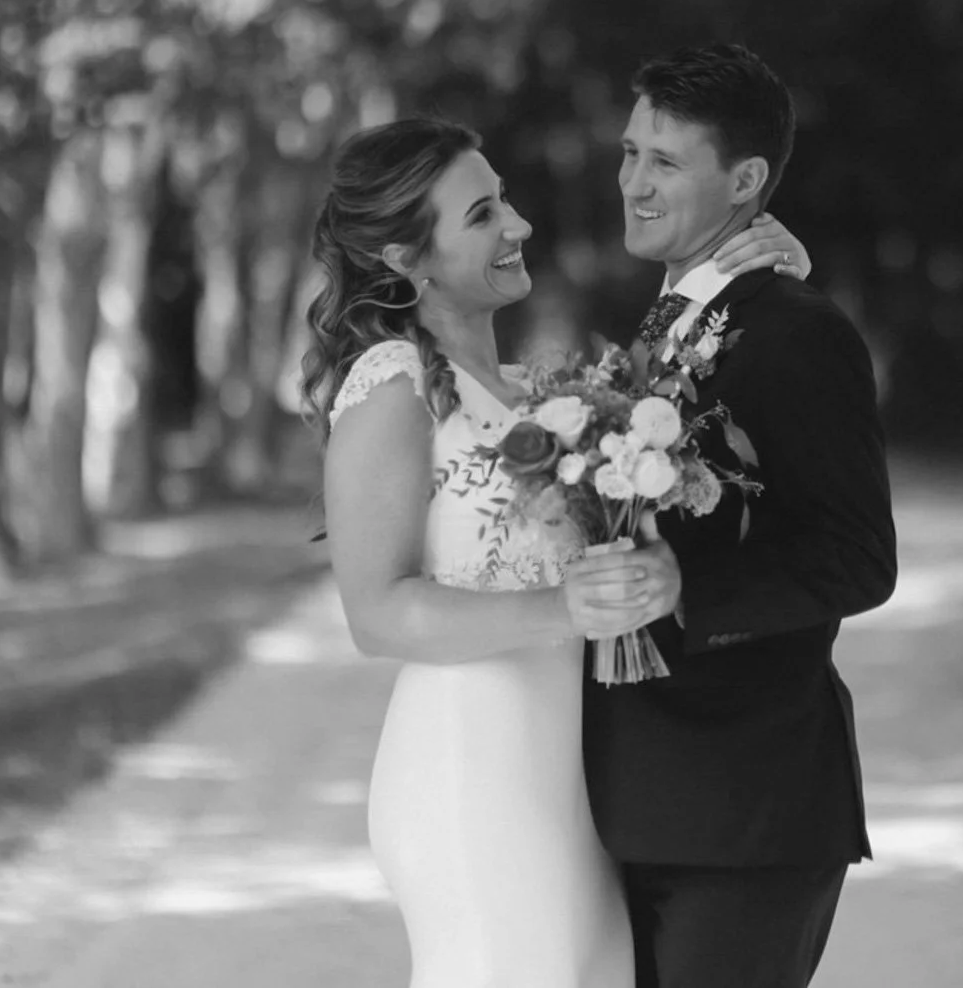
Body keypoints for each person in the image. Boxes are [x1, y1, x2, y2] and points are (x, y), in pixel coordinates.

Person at [306, 117, 815, 988]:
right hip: (472, 768)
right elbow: (377, 611)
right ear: (403, 258)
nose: (519, 226)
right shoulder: (391, 387)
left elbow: (669, 421)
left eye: (502, 200)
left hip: (567, 776)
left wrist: (755, 283)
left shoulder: (533, 394)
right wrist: (563, 608)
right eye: (482, 215)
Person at [574, 43, 899, 988]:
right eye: (631, 152)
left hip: (747, 808)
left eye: (666, 162)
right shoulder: (659, 325)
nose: (633, 181)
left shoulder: (801, 333)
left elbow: (858, 558)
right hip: (637, 796)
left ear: (746, 179)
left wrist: (686, 584)